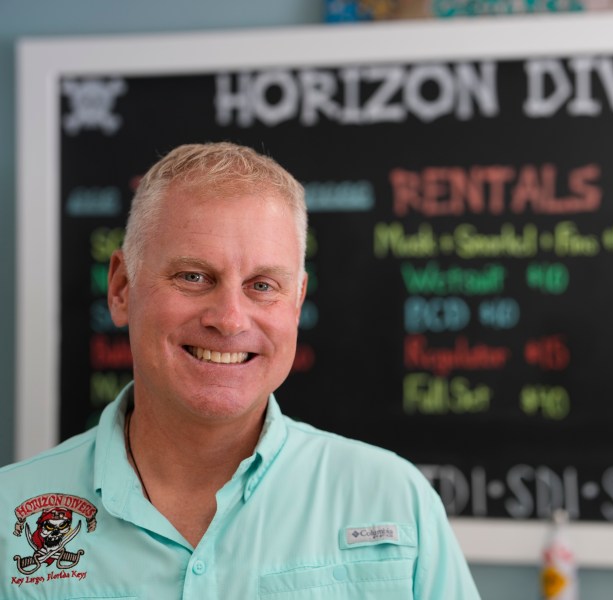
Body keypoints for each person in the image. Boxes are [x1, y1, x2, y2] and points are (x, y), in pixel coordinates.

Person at [0, 142, 481, 598]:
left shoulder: (396, 502)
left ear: (297, 301)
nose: (229, 319)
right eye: (193, 276)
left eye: (262, 285)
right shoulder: (7, 518)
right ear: (122, 288)